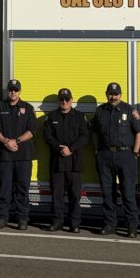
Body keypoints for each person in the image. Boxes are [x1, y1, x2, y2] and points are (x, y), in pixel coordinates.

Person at [90, 81, 140, 237]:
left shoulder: (130, 110)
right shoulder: (100, 111)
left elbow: (138, 132)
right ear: (106, 94)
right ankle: (110, 224)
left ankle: (132, 226)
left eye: (116, 94)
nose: (113, 97)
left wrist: (135, 153)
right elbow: (94, 132)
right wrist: (97, 150)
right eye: (110, 94)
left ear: (121, 95)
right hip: (105, 155)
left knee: (128, 192)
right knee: (107, 192)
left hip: (126, 156)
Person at [0, 78, 38, 230]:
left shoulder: (28, 108)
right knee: (3, 187)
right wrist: (5, 142)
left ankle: (22, 218)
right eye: (10, 89)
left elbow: (32, 130)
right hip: (4, 155)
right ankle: (2, 218)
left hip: (23, 155)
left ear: (19, 92)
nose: (13, 92)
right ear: (7, 91)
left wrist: (16, 141)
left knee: (22, 188)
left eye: (15, 90)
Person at [43, 88, 88, 233]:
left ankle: (75, 223)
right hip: (57, 161)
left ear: (71, 100)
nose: (64, 102)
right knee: (57, 195)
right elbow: (47, 136)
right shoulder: (52, 117)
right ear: (58, 101)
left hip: (74, 162)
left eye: (67, 99)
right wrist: (59, 148)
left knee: (75, 195)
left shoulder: (80, 117)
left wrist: (71, 148)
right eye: (61, 99)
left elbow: (84, 137)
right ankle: (57, 222)